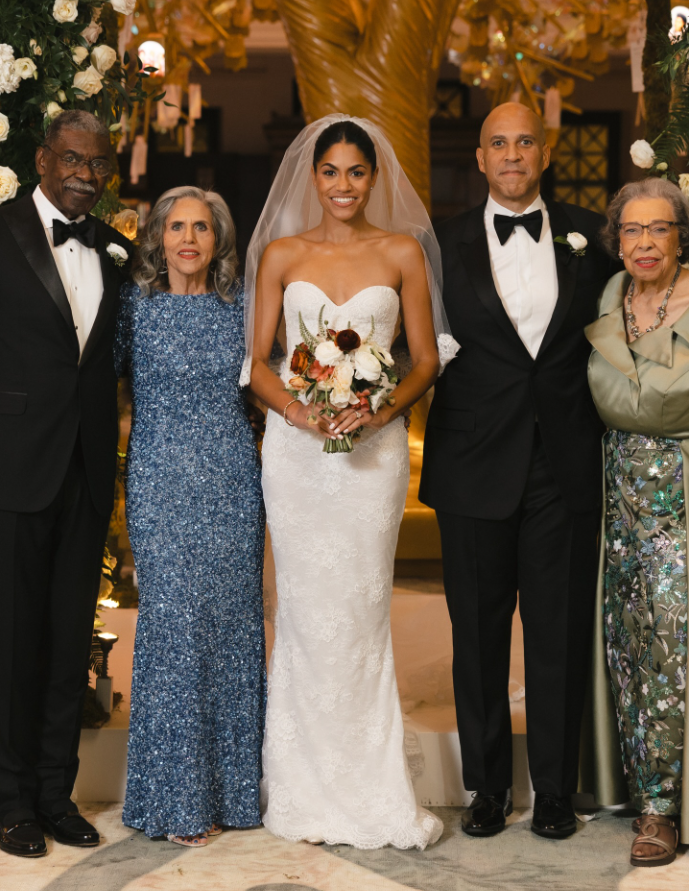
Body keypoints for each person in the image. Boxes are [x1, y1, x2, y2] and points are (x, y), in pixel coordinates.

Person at [246, 115, 457, 849]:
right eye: (330, 171)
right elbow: (260, 364)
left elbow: (425, 358)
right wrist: (305, 414)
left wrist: (376, 411)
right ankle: (300, 786)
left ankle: (372, 789)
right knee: (303, 611)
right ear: (313, 176)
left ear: (374, 178)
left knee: (362, 610)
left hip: (373, 453)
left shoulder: (400, 252)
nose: (342, 185)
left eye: (355, 172)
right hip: (297, 456)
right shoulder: (279, 253)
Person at [419, 102, 617, 839]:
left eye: (523, 141)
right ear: (478, 159)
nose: (511, 154)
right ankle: (487, 790)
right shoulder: (439, 243)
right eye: (497, 143)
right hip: (471, 463)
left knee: (558, 634)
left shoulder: (589, 235)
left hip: (563, 462)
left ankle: (556, 792)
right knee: (475, 636)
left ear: (543, 151)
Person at [115, 187, 266, 847]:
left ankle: (234, 795)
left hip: (232, 482)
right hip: (158, 482)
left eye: (201, 227)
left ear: (217, 239)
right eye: (176, 226)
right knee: (172, 630)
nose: (188, 238)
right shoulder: (133, 310)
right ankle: (173, 800)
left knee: (231, 632)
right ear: (157, 236)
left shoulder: (241, 311)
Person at [0, 110, 131, 858]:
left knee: (66, 642)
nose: (86, 175)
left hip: (84, 473)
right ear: (44, 159)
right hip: (14, 468)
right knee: (13, 642)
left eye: (99, 165)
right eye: (74, 160)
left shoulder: (115, 250)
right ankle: (11, 798)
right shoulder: (2, 229)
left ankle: (56, 793)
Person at [585, 177, 689, 867]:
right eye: (631, 230)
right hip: (619, 494)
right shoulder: (608, 298)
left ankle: (666, 811)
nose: (643, 242)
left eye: (658, 229)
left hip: (680, 492)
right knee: (628, 645)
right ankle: (645, 793)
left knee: (672, 644)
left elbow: (655, 402)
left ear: (681, 236)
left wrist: (630, 398)